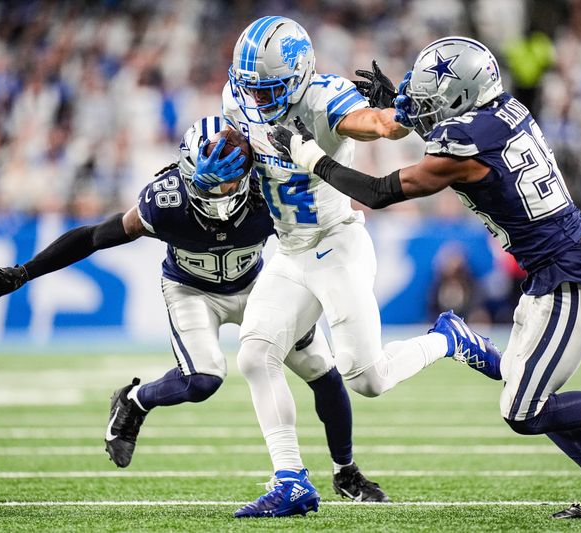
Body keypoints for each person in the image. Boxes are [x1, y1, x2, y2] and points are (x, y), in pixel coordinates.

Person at [269, 36, 581, 519]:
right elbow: (443, 124)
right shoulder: (503, 109)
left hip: (568, 276)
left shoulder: (466, 145)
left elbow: (381, 191)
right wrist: (398, 109)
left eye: (433, 99)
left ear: (460, 96)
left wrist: (310, 157)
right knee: (525, 387)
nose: (426, 107)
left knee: (524, 409)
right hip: (556, 267)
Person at [0, 115, 389, 505]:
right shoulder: (163, 202)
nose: (216, 195)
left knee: (322, 370)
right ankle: (134, 400)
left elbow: (322, 214)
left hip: (259, 283)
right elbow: (95, 236)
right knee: (204, 379)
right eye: (205, 184)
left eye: (225, 184)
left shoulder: (268, 191)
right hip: (191, 291)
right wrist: (23, 273)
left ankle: (346, 472)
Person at [200, 17, 502, 518]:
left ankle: (449, 338)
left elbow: (382, 125)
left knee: (367, 378)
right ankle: (292, 480)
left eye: (269, 89)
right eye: (251, 88)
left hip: (337, 243)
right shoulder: (240, 96)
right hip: (291, 250)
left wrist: (397, 110)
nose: (257, 99)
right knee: (254, 354)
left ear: (297, 75)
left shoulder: (322, 98)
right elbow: (241, 151)